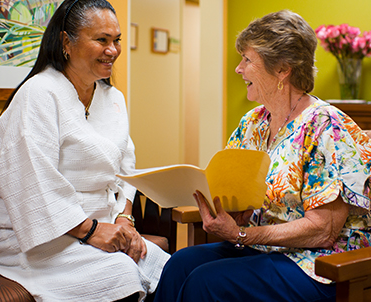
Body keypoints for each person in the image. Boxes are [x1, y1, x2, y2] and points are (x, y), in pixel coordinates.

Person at [153, 10, 371, 302]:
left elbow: (323, 230)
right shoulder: (253, 122)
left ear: (282, 68)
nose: (238, 69)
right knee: (178, 265)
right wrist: (231, 211)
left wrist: (243, 235)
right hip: (267, 248)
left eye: (247, 59)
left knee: (206, 282)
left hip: (320, 262)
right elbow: (231, 184)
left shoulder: (327, 126)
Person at [0, 0, 169, 301]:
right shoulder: (39, 94)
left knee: (165, 266)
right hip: (25, 234)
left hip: (94, 227)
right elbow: (33, 183)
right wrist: (91, 231)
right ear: (67, 42)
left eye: (116, 41)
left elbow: (126, 166)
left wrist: (123, 220)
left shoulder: (113, 98)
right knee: (119, 274)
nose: (113, 50)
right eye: (101, 40)